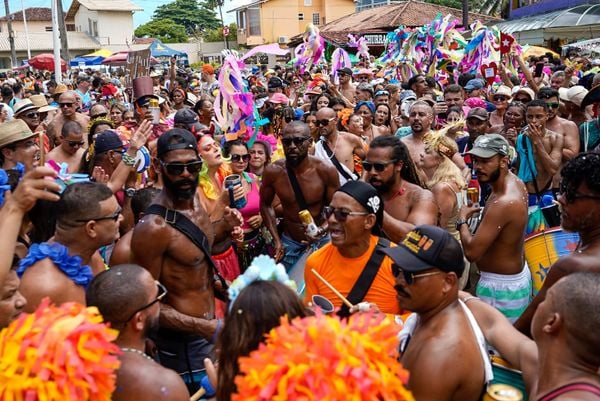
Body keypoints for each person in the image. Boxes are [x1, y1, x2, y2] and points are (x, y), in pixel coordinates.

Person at [130, 128, 242, 393]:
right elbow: (146, 304)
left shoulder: (195, 203)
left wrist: (235, 293)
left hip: (209, 333)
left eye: (192, 167)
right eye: (176, 169)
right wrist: (206, 328)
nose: (185, 176)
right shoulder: (153, 228)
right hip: (182, 349)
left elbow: (198, 266)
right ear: (158, 166)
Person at [383, 225, 492, 401]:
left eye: (411, 275)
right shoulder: (435, 311)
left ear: (448, 282)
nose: (398, 281)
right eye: (397, 270)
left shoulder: (438, 355)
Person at [463, 272, 600, 401]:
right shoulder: (542, 365)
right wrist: (460, 296)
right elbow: (493, 325)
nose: (538, 304)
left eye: (546, 300)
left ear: (552, 322)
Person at [514, 153, 600, 336]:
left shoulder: (572, 266)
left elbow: (523, 330)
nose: (560, 199)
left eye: (571, 194)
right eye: (562, 190)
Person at [86, 264, 189, 401]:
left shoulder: (73, 363)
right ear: (139, 320)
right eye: (158, 297)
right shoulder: (163, 384)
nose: (160, 302)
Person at [17, 181, 122, 312]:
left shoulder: (89, 253)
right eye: (116, 216)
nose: (121, 219)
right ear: (91, 228)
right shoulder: (43, 287)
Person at [458, 134, 530, 322]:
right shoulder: (514, 182)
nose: (478, 167)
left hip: (501, 289)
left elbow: (472, 253)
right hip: (508, 280)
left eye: (485, 161)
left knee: (495, 348)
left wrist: (462, 220)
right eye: (475, 160)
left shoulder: (504, 202)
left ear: (504, 161)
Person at [304, 181, 401, 315]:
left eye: (343, 213)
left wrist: (384, 320)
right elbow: (310, 320)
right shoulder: (315, 263)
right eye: (329, 211)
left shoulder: (396, 261)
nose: (331, 220)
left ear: (369, 221)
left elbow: (419, 321)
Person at [260, 121, 339, 270]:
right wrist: (276, 240)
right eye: (287, 142)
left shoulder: (326, 171)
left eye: (298, 141)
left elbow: (337, 209)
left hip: (322, 239)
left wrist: (321, 230)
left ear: (309, 142)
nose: (292, 146)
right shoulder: (273, 172)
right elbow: (265, 204)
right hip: (290, 241)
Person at [364, 135, 437, 242]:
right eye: (367, 166)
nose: (372, 172)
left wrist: (376, 209)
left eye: (379, 167)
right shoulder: (367, 191)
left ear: (398, 165)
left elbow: (417, 240)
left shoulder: (420, 197)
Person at [223, 139, 269, 271]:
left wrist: (261, 217)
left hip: (257, 243)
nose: (242, 161)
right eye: (236, 157)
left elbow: (264, 205)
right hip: (233, 248)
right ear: (226, 158)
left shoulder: (253, 178)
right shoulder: (221, 183)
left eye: (245, 157)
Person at [516, 100, 564, 206]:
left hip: (545, 193)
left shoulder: (555, 138)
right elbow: (519, 168)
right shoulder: (521, 139)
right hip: (524, 193)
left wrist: (537, 142)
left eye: (538, 117)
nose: (533, 121)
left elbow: (552, 169)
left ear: (546, 116)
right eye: (530, 117)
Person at [536, 88, 579, 197]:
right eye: (546, 106)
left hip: (558, 186)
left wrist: (545, 144)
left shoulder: (568, 126)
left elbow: (572, 155)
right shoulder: (530, 125)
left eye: (554, 105)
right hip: (534, 186)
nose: (550, 109)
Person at [313, 107, 365, 185]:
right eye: (317, 123)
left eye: (324, 122)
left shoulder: (350, 139)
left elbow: (368, 160)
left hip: (349, 190)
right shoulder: (316, 147)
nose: (320, 125)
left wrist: (363, 179)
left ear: (335, 120)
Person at [110, 187, 161, 266]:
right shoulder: (126, 251)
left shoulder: (167, 235)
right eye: (163, 214)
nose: (171, 218)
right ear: (143, 216)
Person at [402, 100, 434, 165]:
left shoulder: (440, 142)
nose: (416, 118)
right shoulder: (402, 144)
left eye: (421, 115)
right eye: (413, 115)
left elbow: (459, 165)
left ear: (431, 119)